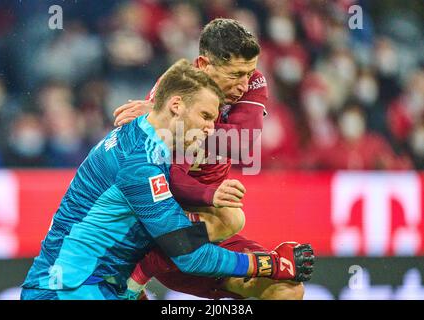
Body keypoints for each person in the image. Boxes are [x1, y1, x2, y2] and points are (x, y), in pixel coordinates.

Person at [20, 59, 313, 300]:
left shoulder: (144, 141)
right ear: (176, 106)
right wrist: (270, 263)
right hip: (68, 292)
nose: (211, 129)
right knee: (230, 220)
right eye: (205, 116)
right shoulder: (142, 164)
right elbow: (189, 256)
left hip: (96, 285)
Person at [114, 19, 315, 300]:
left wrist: (177, 122)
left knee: (287, 292)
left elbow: (242, 144)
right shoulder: (172, 92)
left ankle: (136, 280)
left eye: (248, 72)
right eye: (234, 74)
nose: (244, 85)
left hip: (205, 230)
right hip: (160, 223)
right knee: (230, 217)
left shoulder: (251, 82)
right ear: (203, 65)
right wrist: (211, 192)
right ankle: (141, 267)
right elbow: (167, 177)